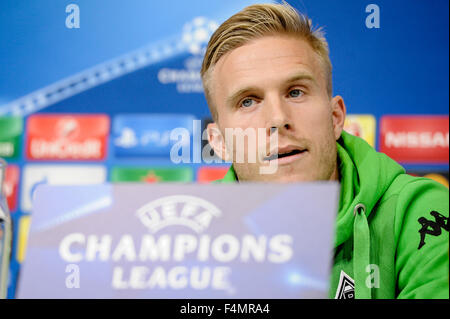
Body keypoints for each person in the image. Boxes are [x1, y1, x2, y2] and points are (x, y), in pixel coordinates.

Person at [200, 2, 449, 299]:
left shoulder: (421, 212)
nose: (278, 119)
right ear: (219, 142)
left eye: (295, 92)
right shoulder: (186, 242)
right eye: (248, 101)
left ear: (335, 118)